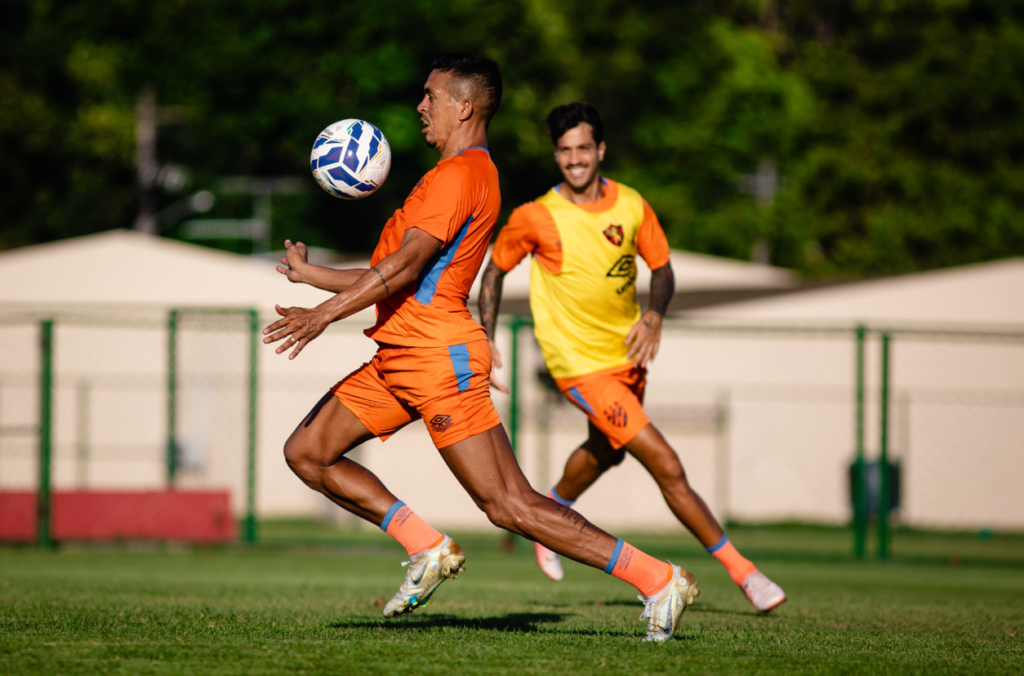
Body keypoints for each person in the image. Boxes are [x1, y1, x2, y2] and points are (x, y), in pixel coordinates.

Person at [264, 55, 699, 641]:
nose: (421, 107)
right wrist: (313, 275)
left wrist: (322, 314)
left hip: (438, 358)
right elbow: (391, 272)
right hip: (400, 356)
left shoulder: (460, 176)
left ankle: (658, 578)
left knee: (510, 505)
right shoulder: (449, 175)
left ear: (464, 106)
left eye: (430, 96)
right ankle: (428, 547)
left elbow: (403, 267)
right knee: (308, 453)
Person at [478, 102, 786, 613]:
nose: (574, 159)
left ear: (600, 150)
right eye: (564, 150)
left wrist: (655, 314)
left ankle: (551, 510)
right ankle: (746, 574)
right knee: (664, 461)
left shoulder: (632, 205)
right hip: (577, 365)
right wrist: (485, 338)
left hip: (627, 358)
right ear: (555, 155)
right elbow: (493, 273)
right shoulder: (536, 216)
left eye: (583, 148)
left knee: (609, 450)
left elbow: (662, 268)